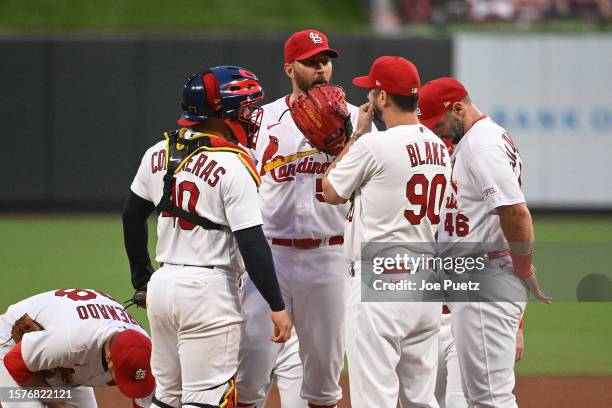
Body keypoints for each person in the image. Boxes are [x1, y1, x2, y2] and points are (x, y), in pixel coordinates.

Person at [122, 66, 292, 408]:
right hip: (208, 291)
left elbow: (132, 217)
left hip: (163, 286)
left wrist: (142, 278)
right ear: (223, 113)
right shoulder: (234, 163)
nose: (251, 115)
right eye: (245, 108)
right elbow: (252, 243)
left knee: (168, 397)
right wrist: (277, 305)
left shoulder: (158, 151)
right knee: (207, 399)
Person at [236, 29, 365, 408]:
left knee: (324, 379)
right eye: (311, 62)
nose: (322, 69)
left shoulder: (357, 120)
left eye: (325, 61)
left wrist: (350, 141)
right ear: (289, 67)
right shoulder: (261, 120)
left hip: (329, 258)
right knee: (249, 375)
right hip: (268, 257)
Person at [323, 55, 451, 408]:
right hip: (425, 281)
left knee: (373, 400)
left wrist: (357, 132)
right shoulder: (439, 147)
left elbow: (330, 190)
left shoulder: (373, 144)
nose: (369, 99)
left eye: (373, 92)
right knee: (422, 400)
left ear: (382, 97)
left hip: (379, 280)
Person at [418, 77, 551, 408]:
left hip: (484, 277)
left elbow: (516, 213)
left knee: (490, 399)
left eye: (438, 124)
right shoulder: (480, 139)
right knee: (483, 397)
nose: (436, 133)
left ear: (459, 108)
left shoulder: (481, 145)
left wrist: (522, 268)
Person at [0, 288, 154, 408]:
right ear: (109, 358)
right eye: (123, 376)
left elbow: (143, 400)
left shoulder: (145, 353)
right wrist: (59, 404)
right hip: (11, 347)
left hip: (60, 358)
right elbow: (14, 362)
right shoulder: (74, 342)